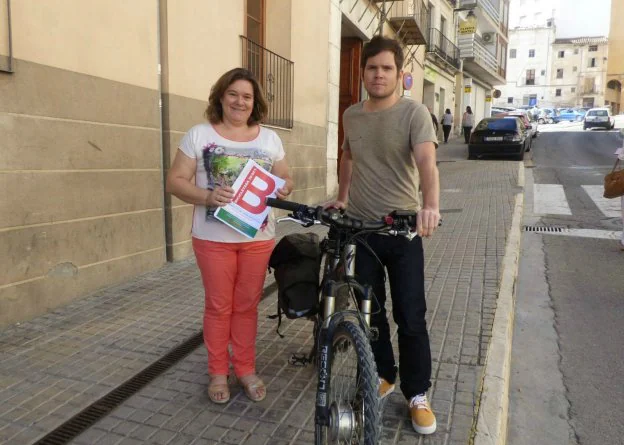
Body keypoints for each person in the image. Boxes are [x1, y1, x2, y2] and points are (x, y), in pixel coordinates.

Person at [326, 35, 440, 435]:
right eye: (372, 68)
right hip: (361, 231)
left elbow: (427, 161)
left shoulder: (414, 113)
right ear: (363, 74)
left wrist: (430, 205)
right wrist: (341, 197)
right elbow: (348, 156)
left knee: (410, 316)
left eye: (386, 68)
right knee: (369, 313)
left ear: (399, 74)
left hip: (403, 230)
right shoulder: (352, 115)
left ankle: (417, 394)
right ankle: (385, 375)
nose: (379, 74)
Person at [166, 68, 293, 405]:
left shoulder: (269, 139)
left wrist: (280, 186)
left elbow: (285, 178)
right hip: (213, 239)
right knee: (220, 306)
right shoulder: (198, 134)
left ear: (255, 103)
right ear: (221, 97)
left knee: (247, 306)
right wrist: (207, 197)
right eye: (233, 94)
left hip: (258, 237)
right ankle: (218, 372)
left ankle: (246, 369)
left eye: (247, 97)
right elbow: (175, 181)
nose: (240, 101)